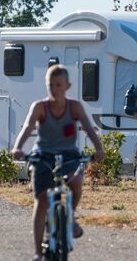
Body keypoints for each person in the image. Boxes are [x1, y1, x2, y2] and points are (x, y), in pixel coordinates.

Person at [12, 64, 105, 261]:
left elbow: (88, 127)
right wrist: (18, 147)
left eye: (58, 85)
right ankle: (38, 253)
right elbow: (28, 127)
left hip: (68, 155)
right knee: (42, 200)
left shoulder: (74, 107)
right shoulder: (40, 107)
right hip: (43, 155)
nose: (54, 89)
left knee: (76, 181)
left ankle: (69, 218)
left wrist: (98, 149)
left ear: (67, 86)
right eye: (51, 85)